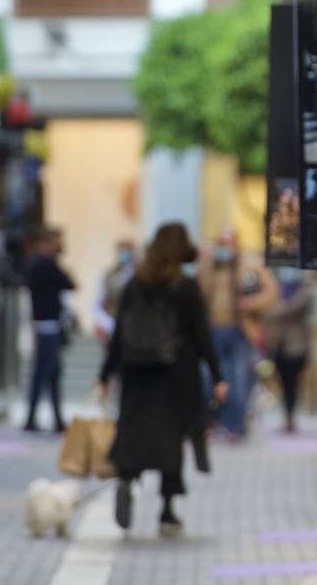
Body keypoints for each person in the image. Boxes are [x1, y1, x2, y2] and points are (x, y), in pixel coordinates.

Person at [97, 223, 226, 536]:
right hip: (177, 373)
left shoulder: (134, 284)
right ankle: (167, 512)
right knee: (171, 440)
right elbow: (200, 335)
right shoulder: (185, 287)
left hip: (137, 371)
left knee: (134, 431)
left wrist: (104, 375)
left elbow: (118, 336)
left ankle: (127, 480)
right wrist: (218, 376)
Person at [198, 228, 276, 442]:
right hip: (212, 331)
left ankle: (236, 425)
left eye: (228, 243)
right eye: (221, 243)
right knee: (209, 378)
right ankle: (212, 421)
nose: (224, 248)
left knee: (238, 378)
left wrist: (249, 304)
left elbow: (271, 292)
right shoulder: (210, 267)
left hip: (240, 332)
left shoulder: (250, 265)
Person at [23, 228, 74, 433]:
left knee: (46, 372)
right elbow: (69, 283)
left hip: (44, 324)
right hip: (48, 326)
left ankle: (47, 418)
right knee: (48, 372)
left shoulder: (34, 263)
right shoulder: (46, 264)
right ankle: (45, 419)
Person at [265, 269, 312, 433]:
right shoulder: (277, 294)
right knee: (284, 384)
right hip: (279, 347)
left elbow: (288, 309)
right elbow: (268, 313)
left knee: (293, 383)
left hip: (297, 348)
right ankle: (287, 416)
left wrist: (277, 309)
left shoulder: (303, 294)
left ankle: (290, 417)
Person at [92, 240, 136, 342]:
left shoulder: (139, 273)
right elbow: (97, 301)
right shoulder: (109, 274)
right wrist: (104, 322)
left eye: (127, 251)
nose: (123, 254)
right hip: (111, 322)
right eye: (121, 251)